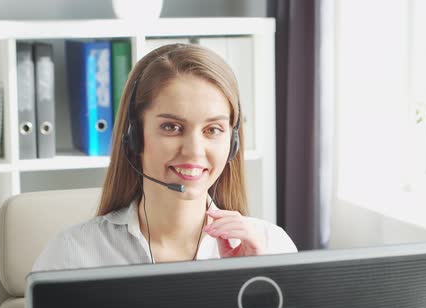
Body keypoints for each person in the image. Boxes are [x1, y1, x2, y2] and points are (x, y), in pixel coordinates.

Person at [32, 43, 296, 271]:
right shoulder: (73, 255)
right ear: (134, 135)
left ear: (233, 141)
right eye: (172, 127)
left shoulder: (271, 246)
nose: (194, 150)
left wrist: (255, 279)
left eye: (213, 130)